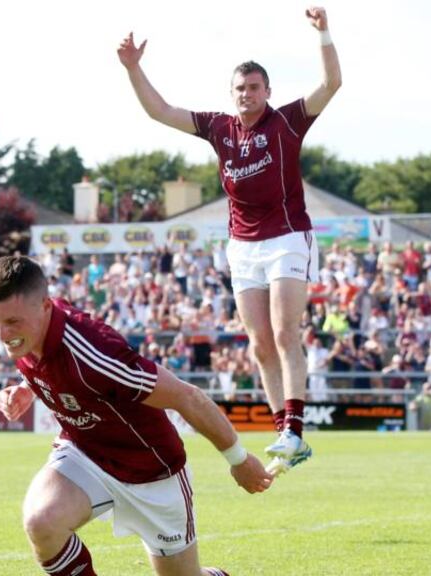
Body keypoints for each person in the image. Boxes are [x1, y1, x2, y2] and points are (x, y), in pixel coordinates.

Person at [118, 6, 341, 475]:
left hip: (287, 237)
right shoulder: (219, 128)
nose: (247, 94)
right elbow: (160, 111)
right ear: (232, 93)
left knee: (284, 333)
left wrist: (323, 34)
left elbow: (331, 85)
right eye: (240, 88)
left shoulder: (285, 122)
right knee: (259, 344)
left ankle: (295, 430)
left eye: (255, 87)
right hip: (242, 246)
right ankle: (285, 431)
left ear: (267, 92)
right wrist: (134, 68)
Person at [0, 256, 272, 576]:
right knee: (42, 522)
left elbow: (185, 396)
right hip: (86, 455)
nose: (2, 333)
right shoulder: (28, 335)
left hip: (152, 472)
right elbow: (52, 369)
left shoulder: (95, 353)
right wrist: (28, 388)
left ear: (45, 306)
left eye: (12, 322)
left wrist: (239, 458)